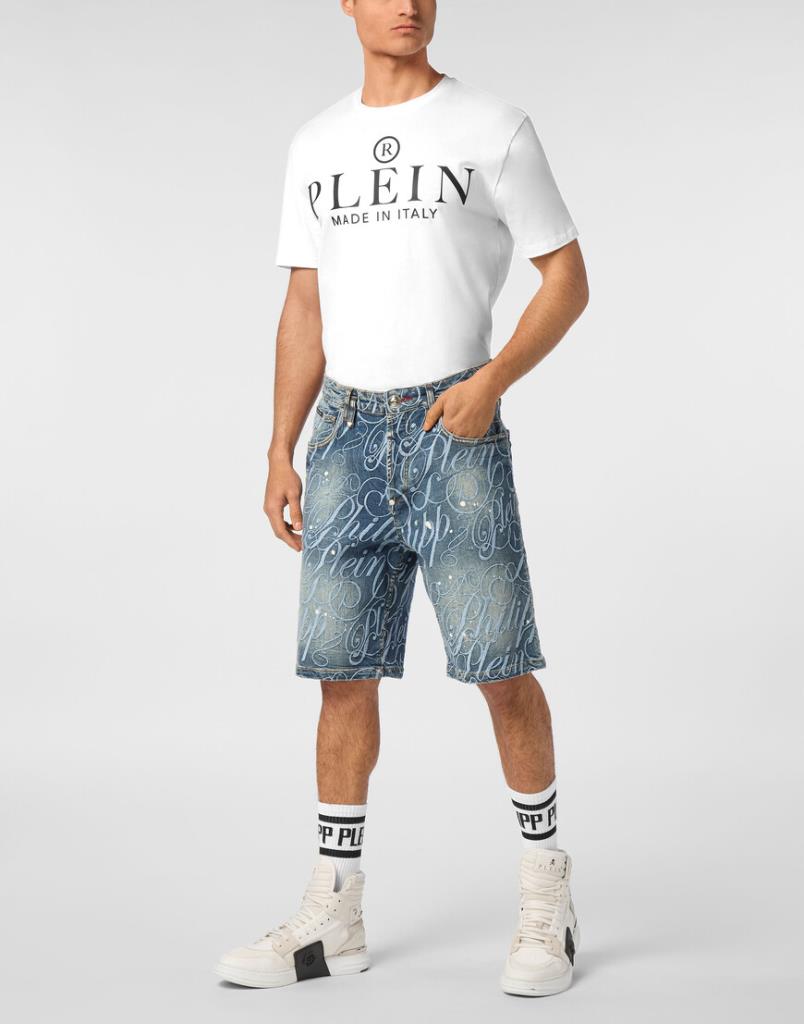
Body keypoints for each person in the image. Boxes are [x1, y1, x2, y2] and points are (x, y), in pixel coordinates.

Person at [215, 0, 588, 998]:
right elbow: (304, 305)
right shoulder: (316, 145)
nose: (407, 4)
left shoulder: (493, 127)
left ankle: (547, 899)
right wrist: (280, 447)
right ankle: (335, 913)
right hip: (343, 434)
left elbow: (566, 278)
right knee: (342, 672)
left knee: (499, 665)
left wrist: (492, 382)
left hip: (453, 427)